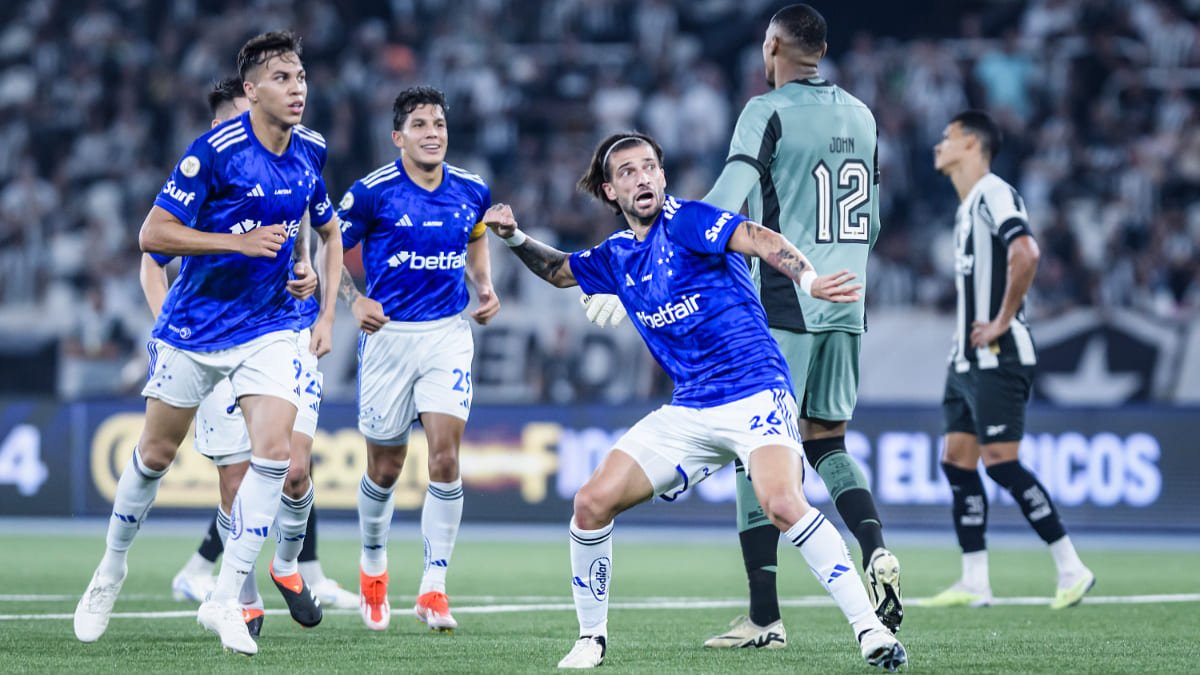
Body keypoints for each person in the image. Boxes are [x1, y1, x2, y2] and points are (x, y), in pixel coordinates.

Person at [488, 131, 906, 671]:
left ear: (662, 176)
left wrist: (807, 279)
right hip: (690, 409)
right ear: (611, 191)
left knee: (782, 503)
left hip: (755, 390)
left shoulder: (687, 220)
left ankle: (870, 630)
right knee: (590, 504)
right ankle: (591, 639)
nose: (642, 178)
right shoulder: (618, 255)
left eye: (649, 167)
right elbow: (559, 271)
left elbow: (757, 236)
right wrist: (514, 237)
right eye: (628, 172)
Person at [582, 4, 903, 644]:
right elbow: (867, 216)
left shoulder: (766, 109)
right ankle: (875, 548)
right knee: (827, 442)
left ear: (772, 46)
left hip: (787, 300)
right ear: (823, 49)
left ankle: (764, 614)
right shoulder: (863, 115)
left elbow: (722, 208)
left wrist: (648, 266)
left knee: (752, 453)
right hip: (847, 297)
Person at [74, 31, 344, 656]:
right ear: (252, 90)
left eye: (301, 76)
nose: (297, 88)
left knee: (274, 456)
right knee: (154, 455)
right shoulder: (214, 152)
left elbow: (319, 224)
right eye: (282, 78)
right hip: (197, 326)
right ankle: (110, 569)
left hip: (269, 326)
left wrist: (306, 272)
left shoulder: (311, 149)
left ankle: (226, 597)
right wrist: (236, 243)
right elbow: (152, 235)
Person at [148, 77, 357, 632]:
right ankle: (240, 592)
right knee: (236, 481)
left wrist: (311, 277)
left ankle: (291, 566)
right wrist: (171, 330)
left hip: (282, 334)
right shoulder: (202, 177)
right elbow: (152, 256)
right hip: (212, 338)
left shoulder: (295, 157)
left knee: (293, 468)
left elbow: (313, 230)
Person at [336, 86, 500, 633]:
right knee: (384, 469)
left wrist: (484, 285)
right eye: (421, 125)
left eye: (439, 124)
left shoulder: (472, 188)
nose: (433, 134)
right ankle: (373, 564)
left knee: (445, 460)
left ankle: (434, 587)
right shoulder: (372, 193)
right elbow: (326, 245)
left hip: (446, 335)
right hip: (388, 338)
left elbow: (476, 236)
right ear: (398, 137)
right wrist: (353, 299)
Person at [921, 110, 1094, 609]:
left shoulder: (995, 193)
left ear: (972, 145)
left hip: (998, 354)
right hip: (965, 360)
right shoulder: (966, 208)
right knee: (958, 462)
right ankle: (975, 580)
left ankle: (1071, 567)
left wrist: (1001, 320)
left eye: (948, 136)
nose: (938, 144)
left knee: (1000, 463)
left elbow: (1027, 252)